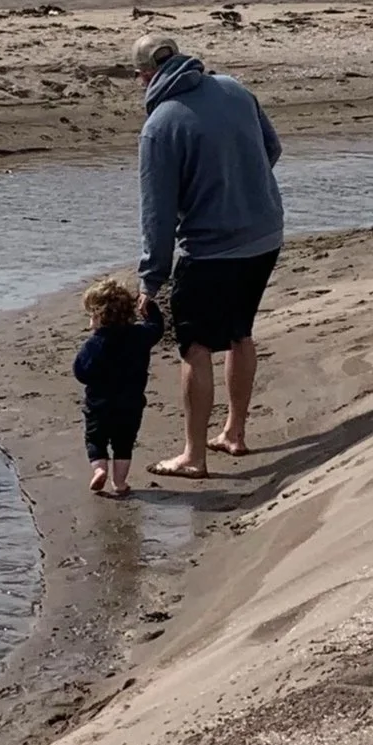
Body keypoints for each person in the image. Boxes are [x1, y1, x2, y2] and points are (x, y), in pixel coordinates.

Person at [132, 31, 283, 479]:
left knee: (195, 346)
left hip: (212, 249)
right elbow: (271, 148)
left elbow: (156, 216)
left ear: (144, 76)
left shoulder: (160, 127)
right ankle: (234, 433)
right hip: (265, 235)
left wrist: (151, 281)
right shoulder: (234, 88)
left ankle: (193, 454)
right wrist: (240, 185)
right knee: (240, 332)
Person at [72, 277, 164, 497]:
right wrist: (149, 305)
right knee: (124, 444)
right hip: (131, 404)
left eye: (91, 316)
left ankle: (99, 469)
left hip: (99, 405)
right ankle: (120, 483)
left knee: (96, 440)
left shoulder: (94, 344)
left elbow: (80, 372)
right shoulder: (139, 335)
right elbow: (157, 328)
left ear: (99, 317)